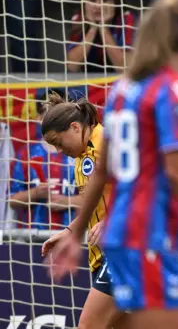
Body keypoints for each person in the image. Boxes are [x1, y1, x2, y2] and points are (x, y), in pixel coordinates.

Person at [46, 0, 178, 329]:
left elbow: (103, 171)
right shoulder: (171, 89)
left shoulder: (123, 89)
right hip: (148, 233)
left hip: (121, 235)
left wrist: (76, 231)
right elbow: (176, 170)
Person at [39, 91, 126, 329]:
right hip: (101, 254)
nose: (58, 151)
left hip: (124, 246)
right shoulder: (81, 159)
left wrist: (113, 221)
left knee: (88, 326)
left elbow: (143, 187)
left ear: (75, 127)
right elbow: (94, 207)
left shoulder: (109, 143)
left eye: (58, 142)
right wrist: (69, 231)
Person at [10, 88, 77, 229]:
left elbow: (96, 197)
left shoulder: (78, 151)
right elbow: (11, 200)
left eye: (59, 114)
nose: (54, 120)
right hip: (31, 236)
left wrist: (67, 201)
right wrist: (35, 193)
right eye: (48, 114)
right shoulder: (26, 154)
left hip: (72, 235)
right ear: (39, 119)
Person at [66, 0, 136, 73]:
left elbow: (124, 68)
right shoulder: (79, 18)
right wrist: (93, 29)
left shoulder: (126, 19)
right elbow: (72, 66)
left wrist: (103, 28)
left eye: (104, 0)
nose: (98, 6)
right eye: (92, 0)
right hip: (89, 81)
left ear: (115, 2)